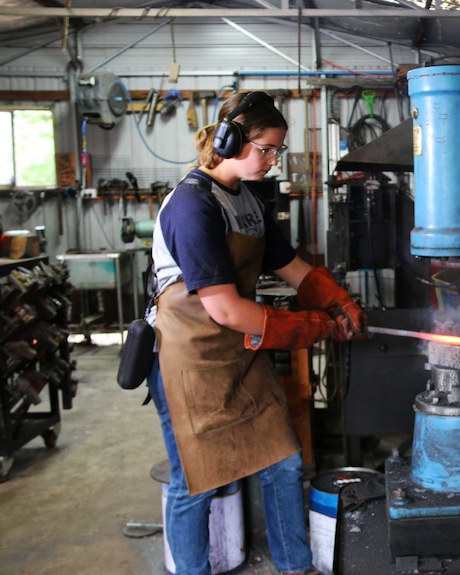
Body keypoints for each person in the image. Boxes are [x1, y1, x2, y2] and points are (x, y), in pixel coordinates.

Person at [146, 90, 366, 575]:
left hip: (240, 355)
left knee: (283, 461)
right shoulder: (191, 205)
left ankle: (295, 565)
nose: (271, 160)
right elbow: (224, 308)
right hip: (190, 362)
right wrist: (307, 327)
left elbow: (287, 264)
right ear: (229, 140)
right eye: (264, 148)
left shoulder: (246, 199)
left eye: (276, 150)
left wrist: (334, 299)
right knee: (195, 483)